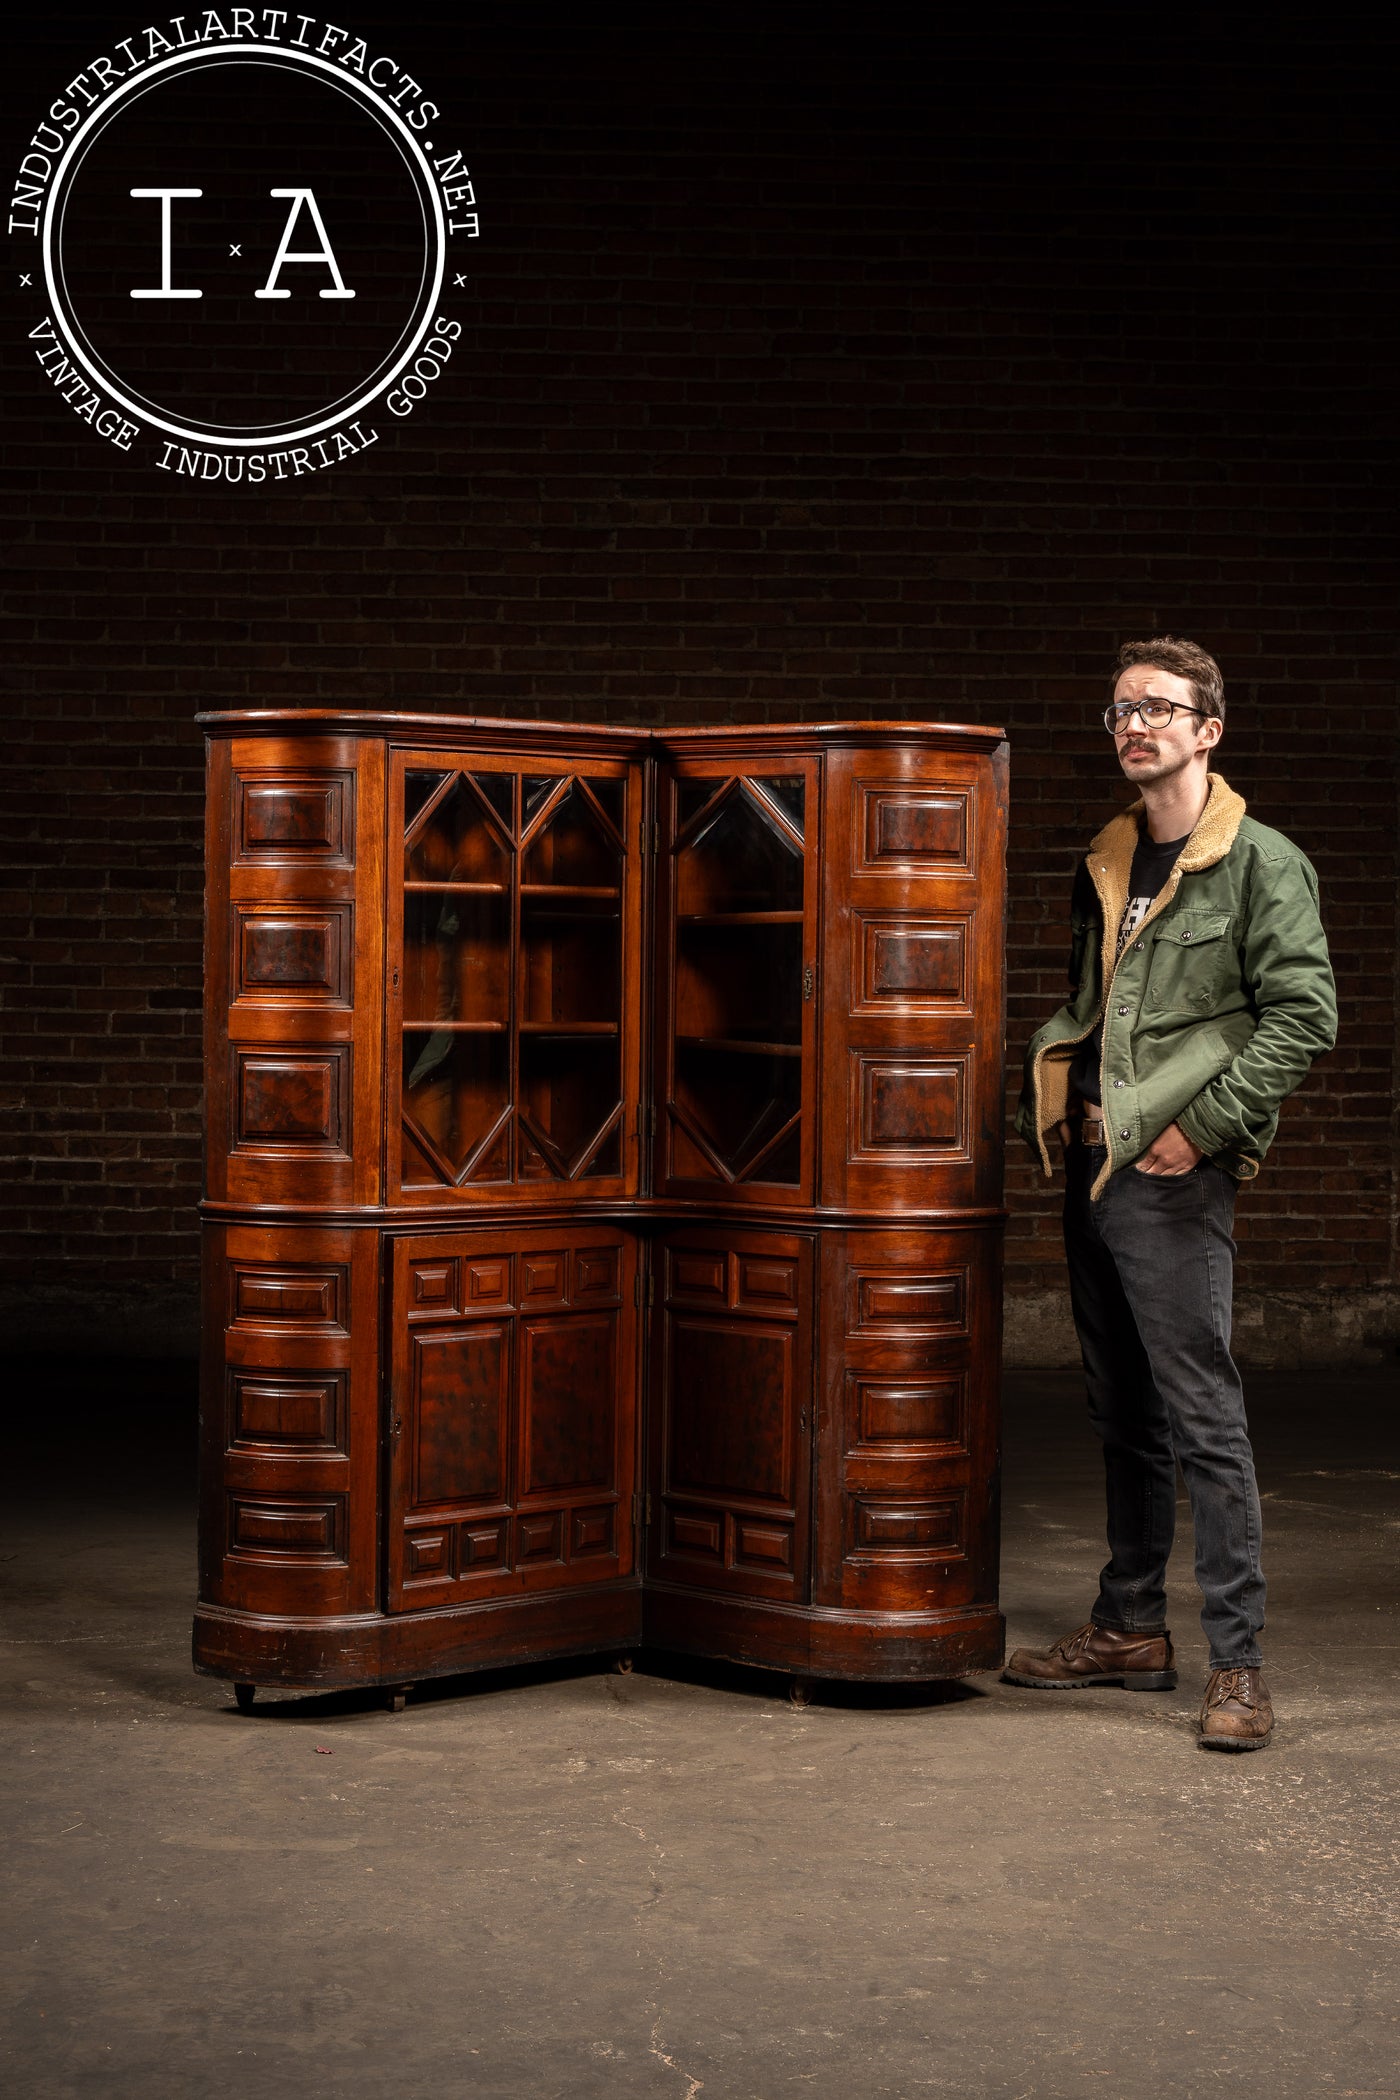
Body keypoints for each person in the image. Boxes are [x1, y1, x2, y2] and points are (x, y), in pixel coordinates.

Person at [1007, 636, 1336, 1750]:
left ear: (1207, 730)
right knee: (1123, 1413)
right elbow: (1096, 1007)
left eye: (1157, 707)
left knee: (1203, 1420)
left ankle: (1237, 1669)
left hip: (1170, 1177)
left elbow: (1302, 1015)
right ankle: (1128, 1628)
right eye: (1117, 710)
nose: (1131, 724)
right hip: (1095, 1171)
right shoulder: (1105, 856)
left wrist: (1201, 1129)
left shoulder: (1260, 865)